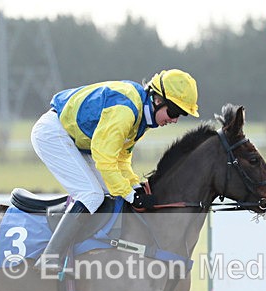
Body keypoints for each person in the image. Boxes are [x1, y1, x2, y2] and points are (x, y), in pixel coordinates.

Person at [30, 69, 199, 273]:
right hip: (53, 133)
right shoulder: (126, 110)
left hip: (80, 142)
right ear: (157, 100)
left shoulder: (142, 118)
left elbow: (121, 158)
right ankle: (50, 257)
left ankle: (90, 251)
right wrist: (129, 194)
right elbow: (105, 158)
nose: (174, 120)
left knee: (109, 195)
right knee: (92, 195)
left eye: (181, 115)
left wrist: (134, 186)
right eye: (174, 112)